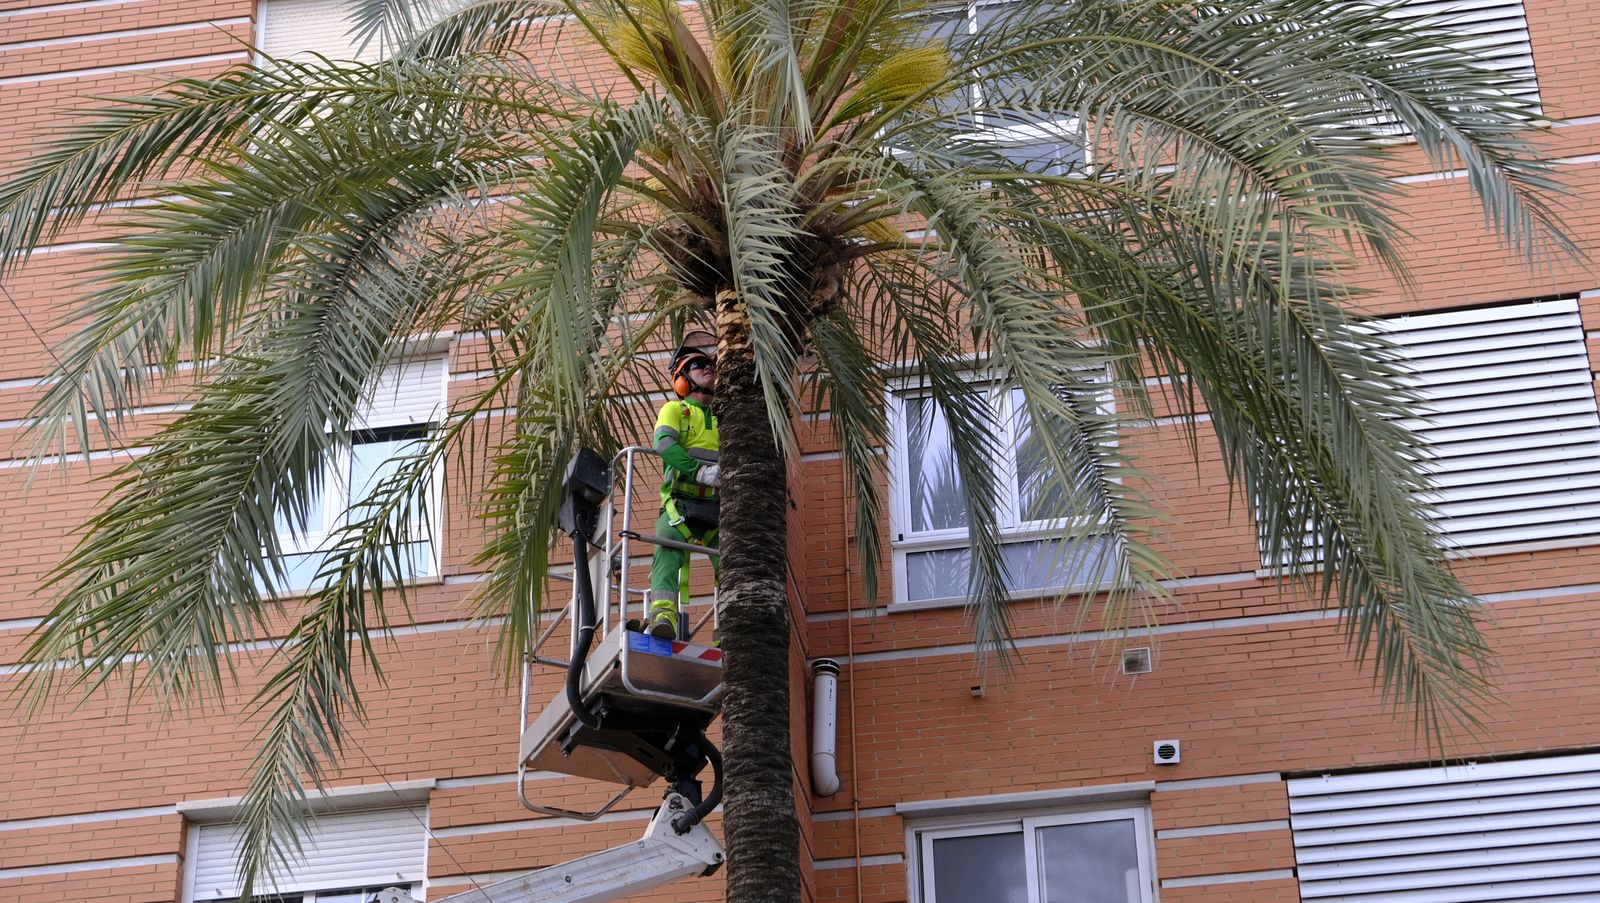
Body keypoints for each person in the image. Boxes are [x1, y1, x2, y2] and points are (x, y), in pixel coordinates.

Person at [646, 334, 721, 639]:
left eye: (712, 364)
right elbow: (664, 444)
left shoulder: (727, 417)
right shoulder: (675, 410)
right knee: (666, 545)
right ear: (682, 379)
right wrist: (699, 472)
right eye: (699, 364)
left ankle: (729, 629)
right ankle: (663, 616)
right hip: (680, 504)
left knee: (734, 562)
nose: (709, 367)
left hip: (718, 507)